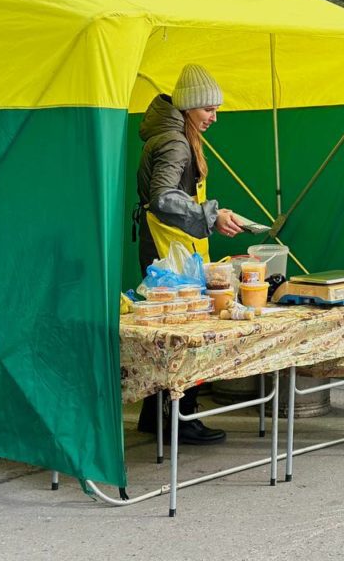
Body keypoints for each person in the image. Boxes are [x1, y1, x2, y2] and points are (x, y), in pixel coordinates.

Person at [134, 63, 244, 443]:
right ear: (187, 108)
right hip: (171, 253)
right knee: (184, 332)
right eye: (207, 109)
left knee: (167, 329)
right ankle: (180, 419)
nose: (213, 117)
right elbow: (163, 197)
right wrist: (211, 216)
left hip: (168, 248)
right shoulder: (176, 142)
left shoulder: (173, 135)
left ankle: (155, 414)